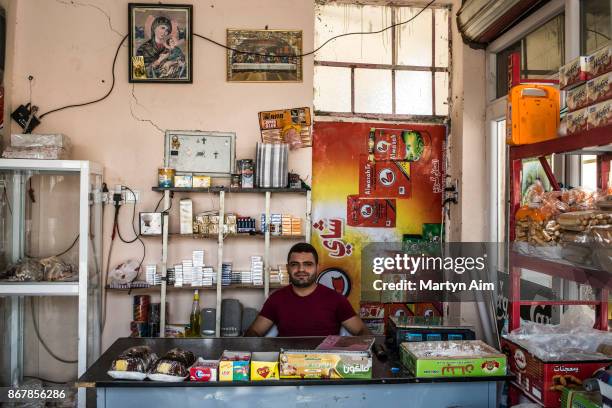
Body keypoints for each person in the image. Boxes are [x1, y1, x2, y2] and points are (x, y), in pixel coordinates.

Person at [245, 243, 369, 337]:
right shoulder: (276, 299)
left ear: (317, 268)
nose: (301, 270)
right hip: (287, 365)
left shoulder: (336, 299)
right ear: (288, 268)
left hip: (326, 364)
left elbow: (361, 331)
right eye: (295, 264)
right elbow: (254, 332)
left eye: (308, 264)